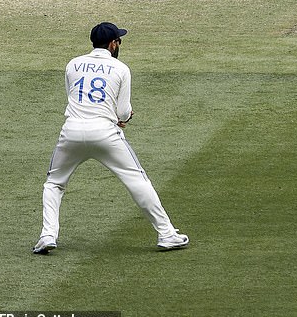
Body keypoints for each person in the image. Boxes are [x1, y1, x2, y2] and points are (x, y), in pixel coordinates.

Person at [33, 22, 189, 253]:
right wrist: (123, 117)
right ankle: (167, 234)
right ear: (113, 43)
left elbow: (74, 97)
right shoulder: (121, 68)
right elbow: (123, 111)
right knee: (137, 180)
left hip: (72, 131)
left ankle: (47, 236)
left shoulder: (73, 64)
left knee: (54, 184)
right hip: (105, 133)